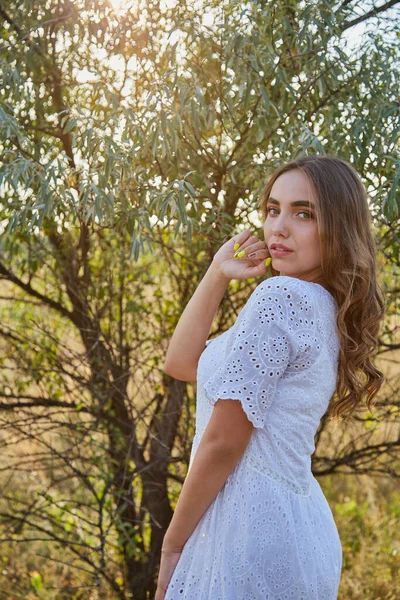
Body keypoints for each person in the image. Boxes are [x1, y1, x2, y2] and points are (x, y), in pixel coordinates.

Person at [155, 155, 386, 600]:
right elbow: (182, 364)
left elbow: (224, 441)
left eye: (304, 213)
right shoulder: (321, 306)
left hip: (249, 529)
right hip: (289, 525)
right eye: (272, 209)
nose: (278, 227)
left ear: (338, 227)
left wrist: (172, 543)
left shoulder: (281, 297)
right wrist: (217, 273)